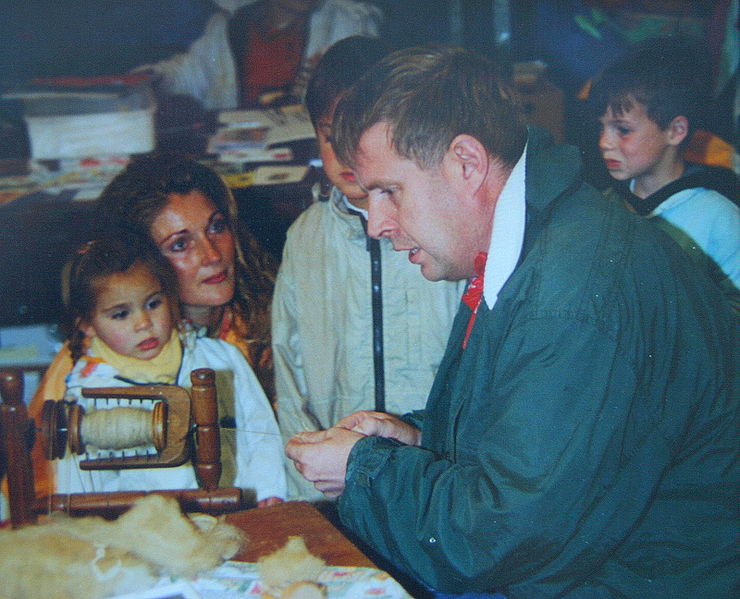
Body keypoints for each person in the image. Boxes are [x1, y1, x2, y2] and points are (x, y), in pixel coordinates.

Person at [285, 45, 738, 598]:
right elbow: (547, 442)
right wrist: (422, 440)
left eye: (389, 192)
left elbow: (500, 544)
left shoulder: (572, 295)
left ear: (467, 164)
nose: (378, 222)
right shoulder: (537, 240)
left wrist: (366, 471)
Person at [272, 36, 466, 501]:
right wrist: (309, 487)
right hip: (337, 485)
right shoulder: (306, 236)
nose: (340, 151)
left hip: (432, 476)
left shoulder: (444, 233)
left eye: (355, 132)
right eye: (327, 131)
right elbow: (287, 363)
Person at [28, 154, 277, 497]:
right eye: (180, 244)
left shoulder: (259, 322)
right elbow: (47, 487)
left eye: (216, 227)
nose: (212, 255)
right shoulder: (92, 363)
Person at [54, 236, 286, 505]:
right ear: (87, 325)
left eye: (153, 304)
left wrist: (269, 491)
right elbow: (78, 485)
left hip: (240, 511)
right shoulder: (87, 395)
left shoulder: (221, 358)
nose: (144, 323)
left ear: (171, 298)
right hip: (145, 533)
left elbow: (261, 431)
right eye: (121, 314)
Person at [589, 36, 740, 312]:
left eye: (622, 129)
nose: (604, 142)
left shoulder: (719, 220)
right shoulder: (603, 203)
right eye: (602, 128)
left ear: (675, 131)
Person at [136, 0, 383, 110]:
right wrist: (155, 76)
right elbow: (191, 72)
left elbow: (372, 79)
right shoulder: (230, 26)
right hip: (240, 148)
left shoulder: (347, 21)